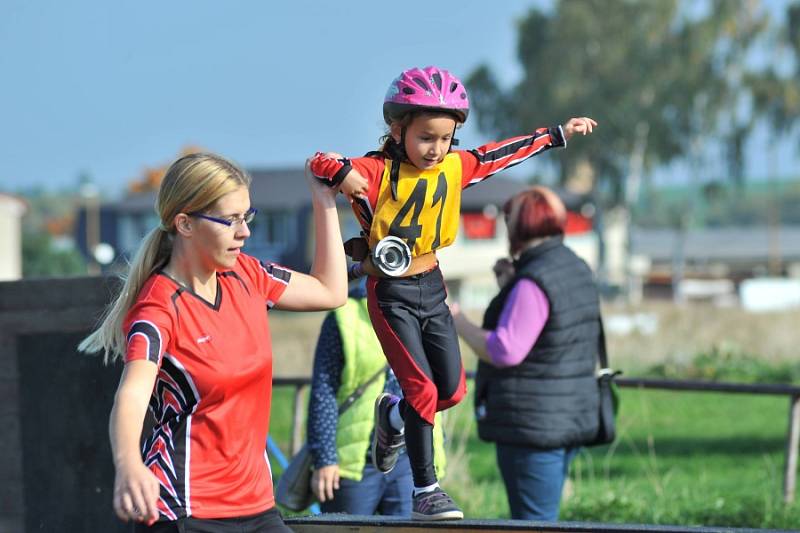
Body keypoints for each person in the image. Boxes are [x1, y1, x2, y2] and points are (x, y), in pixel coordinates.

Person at [309, 66, 596, 521]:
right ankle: (427, 491)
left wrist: (555, 134)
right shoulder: (377, 171)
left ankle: (394, 420)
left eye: (445, 138)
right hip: (392, 292)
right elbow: (319, 162)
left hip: (432, 285)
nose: (436, 148)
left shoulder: (454, 167)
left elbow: (503, 153)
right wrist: (341, 172)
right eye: (425, 137)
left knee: (452, 390)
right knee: (420, 388)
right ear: (398, 130)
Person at [78, 152, 347, 532]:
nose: (245, 232)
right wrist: (128, 465)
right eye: (230, 220)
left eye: (247, 217)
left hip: (257, 506)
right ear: (185, 224)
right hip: (186, 512)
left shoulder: (248, 275)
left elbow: (329, 290)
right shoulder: (157, 308)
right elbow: (133, 395)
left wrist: (324, 202)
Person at [450, 186, 602, 521]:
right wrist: (511, 288)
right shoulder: (574, 266)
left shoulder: (533, 281)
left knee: (534, 524)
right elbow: (554, 331)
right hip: (569, 414)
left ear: (518, 226)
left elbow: (506, 349)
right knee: (543, 519)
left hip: (533, 426)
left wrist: (457, 319)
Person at [307, 281, 447, 516]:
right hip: (354, 462)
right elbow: (324, 390)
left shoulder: (427, 309)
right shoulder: (345, 315)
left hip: (409, 460)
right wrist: (325, 458)